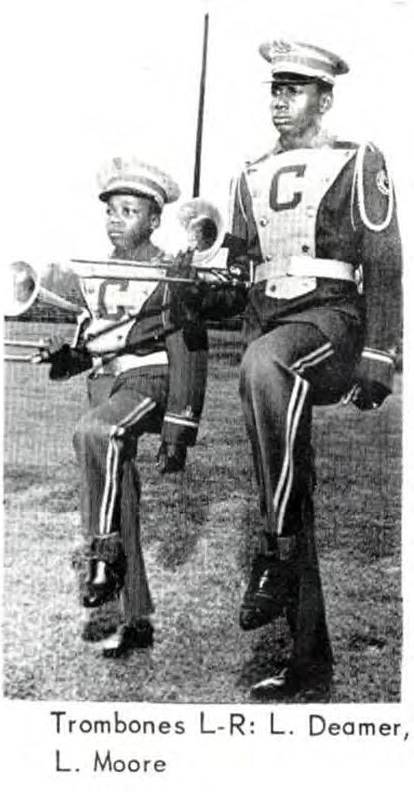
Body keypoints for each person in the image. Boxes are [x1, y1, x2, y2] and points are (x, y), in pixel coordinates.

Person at [227, 41, 402, 697]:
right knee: (288, 488)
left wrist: (381, 355)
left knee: (266, 363)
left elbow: (383, 260)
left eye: (295, 89)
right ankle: (308, 662)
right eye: (275, 89)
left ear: (325, 98)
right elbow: (239, 275)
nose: (281, 101)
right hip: (271, 333)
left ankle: (273, 553)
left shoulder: (357, 159)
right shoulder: (247, 174)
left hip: (333, 323)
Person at [41, 157, 209, 657]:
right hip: (106, 387)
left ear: (154, 219)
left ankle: (102, 558)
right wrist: (63, 355)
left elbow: (188, 347)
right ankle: (134, 618)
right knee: (119, 501)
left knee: (96, 433)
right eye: (111, 211)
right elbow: (91, 347)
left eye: (130, 211)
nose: (117, 220)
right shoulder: (96, 271)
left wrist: (179, 428)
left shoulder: (171, 270)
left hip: (150, 381)